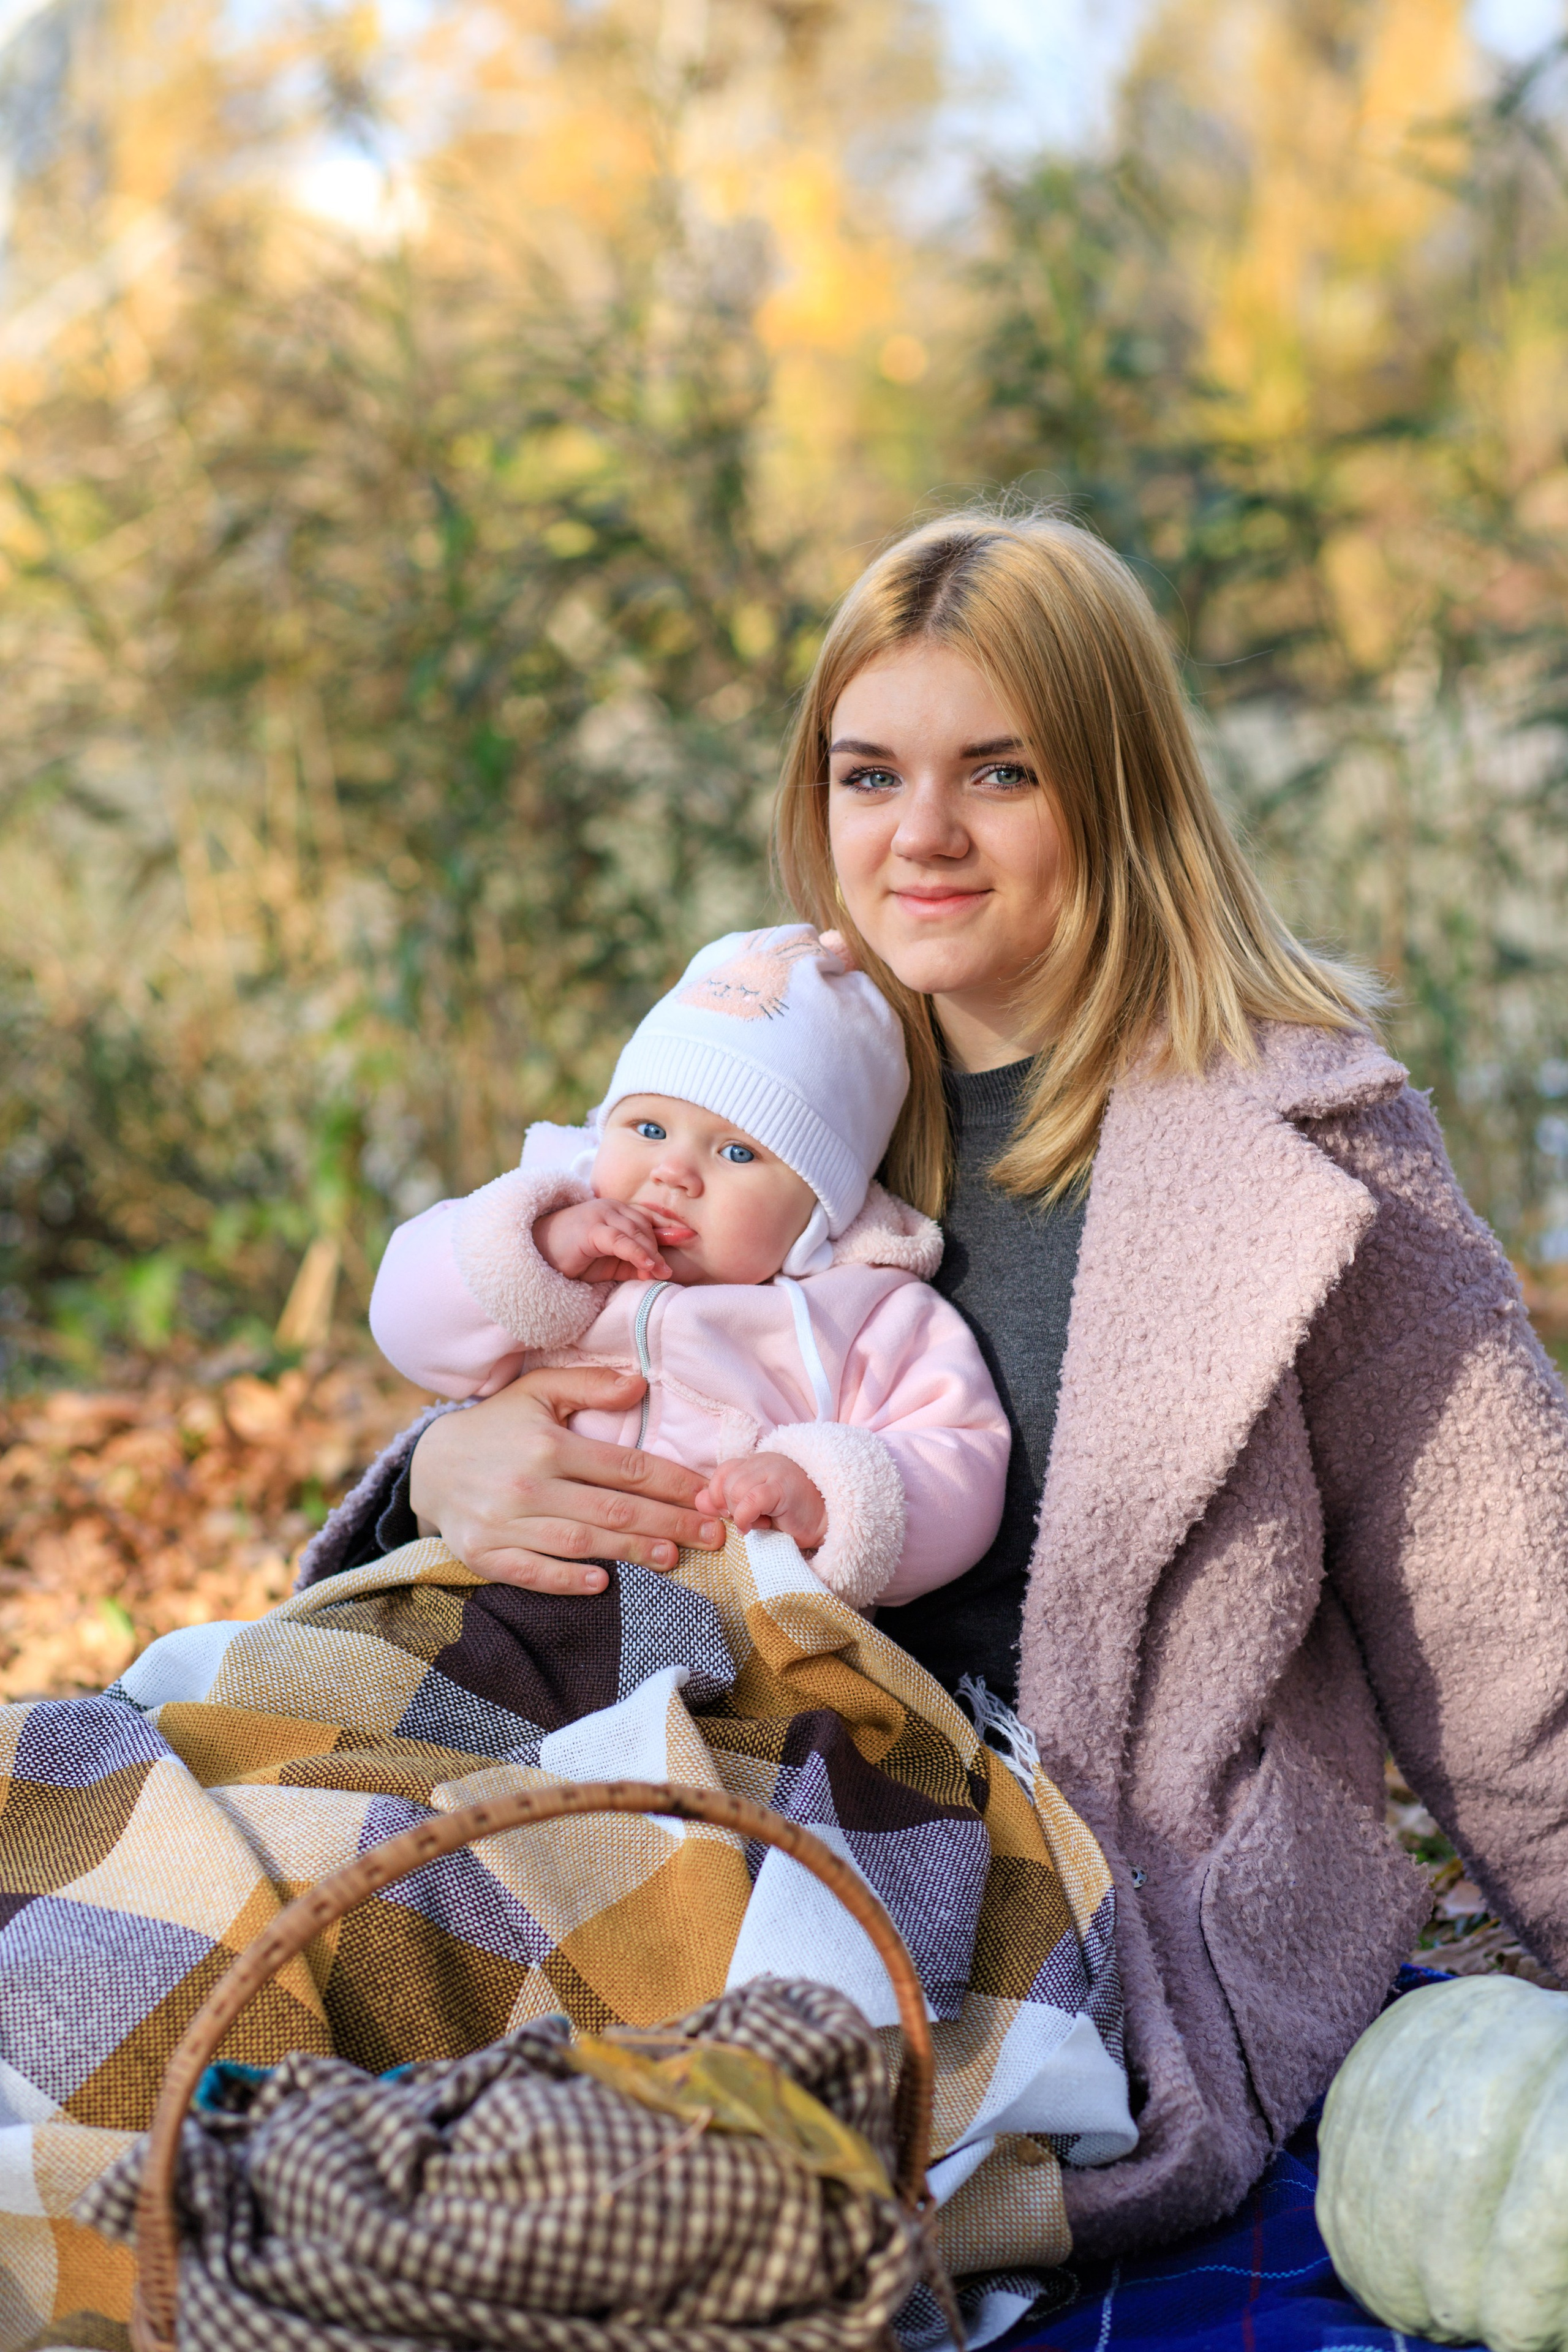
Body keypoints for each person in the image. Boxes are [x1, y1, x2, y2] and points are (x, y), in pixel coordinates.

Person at [303, 509, 1568, 2260]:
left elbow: (1515, 1633)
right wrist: (455, 1462)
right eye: (869, 773)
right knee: (251, 1887)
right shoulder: (773, 1093)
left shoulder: (1306, 1158)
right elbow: (590, 1355)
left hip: (1044, 1881)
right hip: (665, 1751)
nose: (922, 837)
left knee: (596, 2126)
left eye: (1000, 773)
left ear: (1118, 790)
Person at [364, 922, 1011, 1609]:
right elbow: (405, 1326)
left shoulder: (864, 1317)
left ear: (820, 1211)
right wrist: (537, 1251)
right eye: (648, 1130)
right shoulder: (548, 1242)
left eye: (737, 1154)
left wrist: (827, 1492)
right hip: (494, 1596)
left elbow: (960, 1456)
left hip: (727, 1644)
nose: (673, 1172)